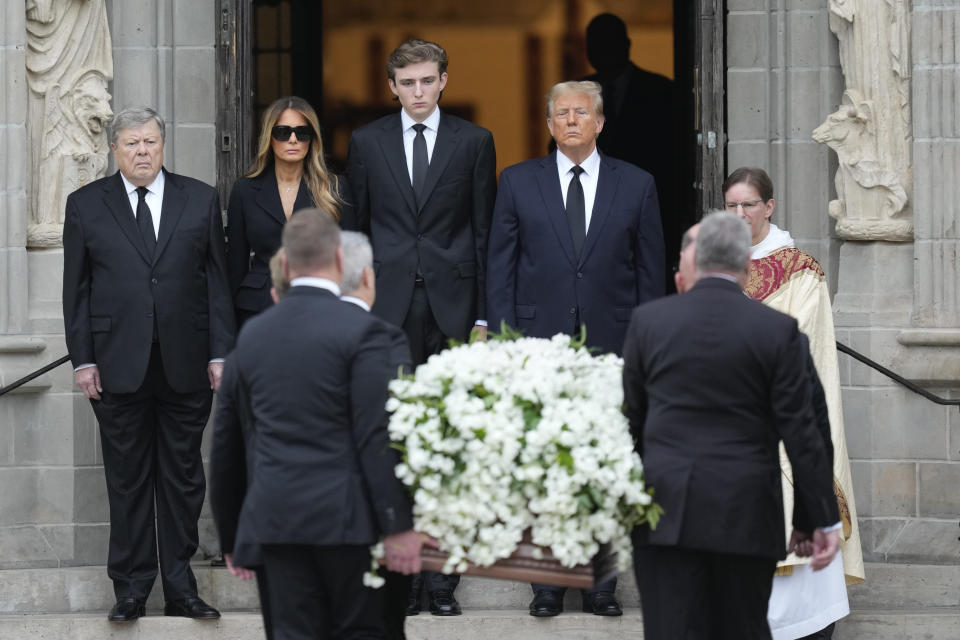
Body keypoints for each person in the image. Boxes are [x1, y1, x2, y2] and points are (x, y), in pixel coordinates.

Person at [486, 80, 663, 616]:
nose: (569, 121)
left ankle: (600, 587)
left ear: (600, 122)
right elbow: (502, 269)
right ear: (548, 124)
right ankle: (546, 586)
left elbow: (651, 275)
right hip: (537, 347)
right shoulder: (517, 182)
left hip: (613, 347)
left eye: (580, 113)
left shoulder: (637, 185)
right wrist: (504, 345)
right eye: (560, 114)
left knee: (607, 464)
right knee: (543, 465)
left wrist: (647, 348)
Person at [622, 210, 841, 639]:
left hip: (666, 514)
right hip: (747, 514)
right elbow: (806, 429)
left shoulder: (649, 323)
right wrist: (813, 518)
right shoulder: (779, 331)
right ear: (746, 268)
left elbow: (631, 421)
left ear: (694, 262)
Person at [211, 208, 423, 639]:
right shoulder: (368, 333)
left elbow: (226, 444)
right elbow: (375, 435)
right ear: (341, 262)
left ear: (285, 265)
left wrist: (232, 536)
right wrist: (399, 524)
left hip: (275, 524)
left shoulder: (251, 336)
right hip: (348, 524)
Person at [62, 106, 235, 622]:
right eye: (133, 143)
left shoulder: (199, 199)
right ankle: (132, 589)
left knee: (183, 479)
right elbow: (77, 291)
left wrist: (220, 353)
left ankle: (181, 589)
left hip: (186, 364)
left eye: (151, 142)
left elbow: (217, 284)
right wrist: (83, 360)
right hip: (116, 366)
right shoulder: (85, 205)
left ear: (164, 145)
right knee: (128, 479)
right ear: (114, 149)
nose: (143, 151)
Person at [344, 37, 497, 615]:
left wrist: (484, 314)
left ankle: (442, 581)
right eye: (407, 83)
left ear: (443, 81)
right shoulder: (366, 142)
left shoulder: (474, 142)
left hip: (454, 312)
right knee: (391, 441)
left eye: (427, 81)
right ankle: (402, 577)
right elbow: (354, 232)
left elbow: (484, 233)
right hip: (385, 312)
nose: (418, 92)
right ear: (392, 87)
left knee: (449, 440)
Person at [723, 167, 865, 639]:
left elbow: (800, 344)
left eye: (748, 205)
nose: (740, 214)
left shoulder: (799, 270)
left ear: (770, 206)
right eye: (731, 206)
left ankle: (804, 625)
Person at [583, 13, 681, 289]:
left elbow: (675, 159)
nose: (602, 51)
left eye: (609, 42)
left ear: (626, 44)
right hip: (588, 219)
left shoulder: (661, 92)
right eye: (595, 44)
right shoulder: (575, 94)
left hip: (651, 216)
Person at [226, 96, 341, 328]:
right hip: (259, 308)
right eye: (282, 132)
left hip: (319, 310)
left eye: (302, 132)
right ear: (269, 136)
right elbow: (234, 268)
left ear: (312, 139)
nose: (293, 139)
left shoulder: (334, 189)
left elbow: (346, 260)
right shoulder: (245, 190)